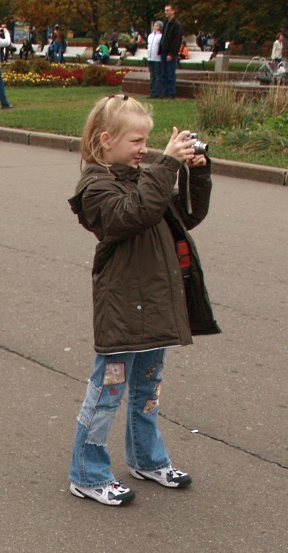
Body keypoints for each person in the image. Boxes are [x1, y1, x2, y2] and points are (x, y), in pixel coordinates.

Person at [67, 95, 220, 506]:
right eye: (137, 141)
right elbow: (131, 215)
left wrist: (194, 174)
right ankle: (87, 473)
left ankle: (146, 459)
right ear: (105, 140)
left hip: (154, 305)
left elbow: (184, 216)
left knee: (147, 391)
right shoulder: (96, 187)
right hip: (122, 310)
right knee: (108, 392)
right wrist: (166, 166)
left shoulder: (145, 177)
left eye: (148, 141)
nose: (145, 149)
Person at [160, 3, 183, 98]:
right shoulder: (166, 23)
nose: (166, 12)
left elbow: (176, 40)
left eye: (168, 10)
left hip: (170, 53)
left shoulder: (176, 25)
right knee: (164, 73)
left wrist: (171, 53)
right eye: (165, 10)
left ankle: (171, 92)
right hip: (164, 52)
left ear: (173, 11)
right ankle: (164, 92)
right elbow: (164, 38)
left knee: (170, 74)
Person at [146, 21, 164, 98]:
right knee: (152, 76)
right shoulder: (150, 36)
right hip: (150, 58)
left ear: (160, 28)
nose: (155, 27)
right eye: (154, 26)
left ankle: (157, 92)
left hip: (157, 59)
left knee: (157, 76)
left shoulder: (161, 36)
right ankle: (152, 92)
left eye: (157, 26)